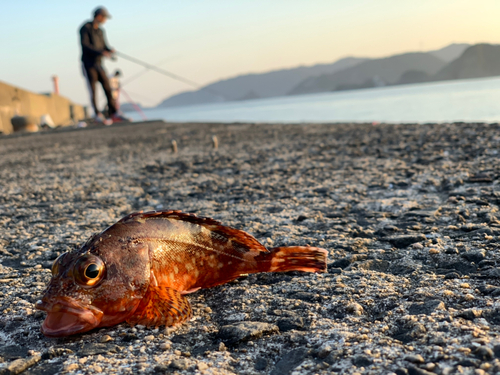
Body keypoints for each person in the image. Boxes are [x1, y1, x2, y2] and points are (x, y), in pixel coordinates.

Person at [79, 6, 118, 125]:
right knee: (93, 90)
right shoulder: (85, 28)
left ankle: (113, 113)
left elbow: (104, 45)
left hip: (99, 64)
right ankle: (97, 114)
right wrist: (100, 52)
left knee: (107, 87)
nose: (105, 20)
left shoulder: (101, 31)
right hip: (88, 64)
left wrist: (109, 50)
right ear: (99, 16)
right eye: (105, 17)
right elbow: (85, 45)